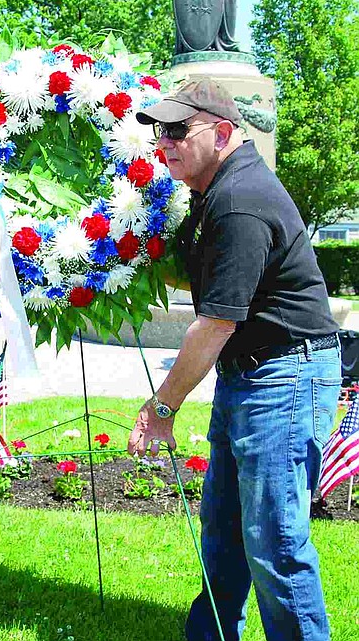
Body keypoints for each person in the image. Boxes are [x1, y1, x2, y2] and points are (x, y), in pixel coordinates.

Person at [130, 78, 341, 641]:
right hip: (252, 375)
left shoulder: (240, 200)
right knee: (223, 532)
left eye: (177, 130)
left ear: (222, 132)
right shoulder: (213, 192)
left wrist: (163, 406)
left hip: (284, 377)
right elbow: (187, 275)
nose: (163, 143)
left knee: (274, 543)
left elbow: (217, 322)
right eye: (159, 132)